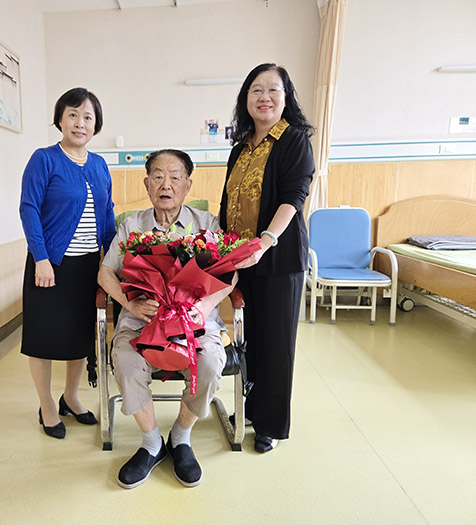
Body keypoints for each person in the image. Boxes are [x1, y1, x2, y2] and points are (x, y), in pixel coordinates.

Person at [98, 149, 237, 488]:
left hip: (195, 320)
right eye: (158, 177)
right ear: (146, 184)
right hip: (142, 319)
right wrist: (130, 306)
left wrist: (204, 306)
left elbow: (230, 274)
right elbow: (105, 273)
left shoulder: (206, 224)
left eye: (175, 177)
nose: (166, 185)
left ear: (188, 185)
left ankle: (180, 437)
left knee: (210, 362)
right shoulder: (132, 226)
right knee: (126, 360)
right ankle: (151, 443)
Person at [219, 63, 315, 453]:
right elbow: (228, 203)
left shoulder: (294, 140)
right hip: (242, 260)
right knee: (250, 340)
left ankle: (270, 424)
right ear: (246, 98)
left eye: (273, 90)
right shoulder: (240, 148)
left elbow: (294, 196)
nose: (265, 97)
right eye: (256, 90)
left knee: (276, 344)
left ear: (286, 98)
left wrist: (266, 241)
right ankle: (251, 409)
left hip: (277, 260)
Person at [19, 87, 115, 439]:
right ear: (60, 119)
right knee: (42, 338)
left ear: (96, 124)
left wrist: (111, 260)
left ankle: (71, 397)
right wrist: (41, 258)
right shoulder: (44, 159)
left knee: (80, 338)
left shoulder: (99, 164)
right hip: (50, 265)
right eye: (73, 114)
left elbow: (107, 214)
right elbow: (29, 208)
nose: (80, 123)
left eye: (88, 117)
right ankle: (46, 405)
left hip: (87, 267)